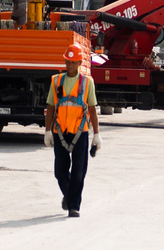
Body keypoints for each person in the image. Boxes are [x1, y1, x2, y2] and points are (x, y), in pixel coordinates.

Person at [50, 43, 100, 218]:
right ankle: (70, 195)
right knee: (60, 171)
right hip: (60, 132)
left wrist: (97, 136)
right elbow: (50, 107)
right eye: (67, 62)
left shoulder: (87, 82)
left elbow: (92, 109)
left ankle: (73, 206)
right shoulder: (56, 81)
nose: (70, 65)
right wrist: (48, 131)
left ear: (79, 63)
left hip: (81, 132)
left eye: (73, 62)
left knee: (79, 172)